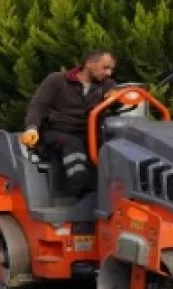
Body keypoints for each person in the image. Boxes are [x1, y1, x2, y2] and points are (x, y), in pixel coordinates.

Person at [21, 51, 117, 196]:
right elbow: (38, 105)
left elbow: (119, 105)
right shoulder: (57, 80)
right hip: (58, 132)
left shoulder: (108, 85)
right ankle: (82, 191)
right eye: (105, 67)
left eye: (111, 69)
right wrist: (32, 128)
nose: (109, 73)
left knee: (113, 146)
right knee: (72, 144)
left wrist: (117, 100)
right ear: (89, 63)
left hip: (89, 135)